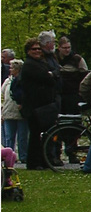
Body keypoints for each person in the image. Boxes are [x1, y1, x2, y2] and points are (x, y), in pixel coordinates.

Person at [19, 37, 61, 169]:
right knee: (35, 135)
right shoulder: (29, 65)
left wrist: (51, 75)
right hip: (34, 106)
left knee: (46, 134)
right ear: (28, 51)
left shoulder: (41, 63)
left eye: (38, 48)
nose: (37, 51)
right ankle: (33, 162)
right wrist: (51, 76)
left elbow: (56, 72)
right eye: (34, 49)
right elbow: (47, 78)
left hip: (45, 105)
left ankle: (44, 160)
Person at [56, 36, 89, 162]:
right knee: (59, 125)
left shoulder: (77, 59)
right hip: (60, 96)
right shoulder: (54, 59)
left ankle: (72, 151)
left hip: (73, 95)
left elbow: (85, 76)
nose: (66, 50)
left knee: (73, 124)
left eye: (68, 47)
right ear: (59, 48)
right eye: (64, 48)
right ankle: (57, 153)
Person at [1, 59, 29, 163]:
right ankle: (8, 155)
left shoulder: (22, 81)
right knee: (9, 137)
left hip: (20, 112)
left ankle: (23, 156)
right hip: (8, 111)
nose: (10, 69)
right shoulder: (8, 81)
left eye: (12, 67)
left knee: (22, 136)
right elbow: (2, 94)